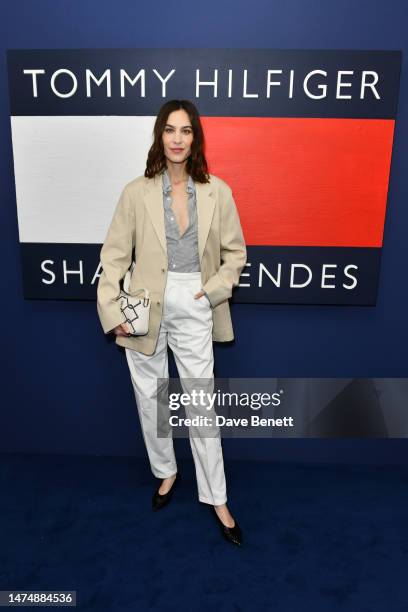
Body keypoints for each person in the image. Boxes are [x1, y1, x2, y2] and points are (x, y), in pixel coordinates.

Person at [96, 99, 247, 546]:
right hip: (144, 303)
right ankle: (166, 472)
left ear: (195, 137)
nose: (177, 139)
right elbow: (114, 257)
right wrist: (114, 310)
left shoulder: (218, 191)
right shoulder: (135, 191)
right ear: (159, 136)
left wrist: (211, 290)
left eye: (186, 130)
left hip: (195, 300)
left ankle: (217, 498)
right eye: (169, 130)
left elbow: (235, 254)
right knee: (151, 398)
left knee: (201, 402)